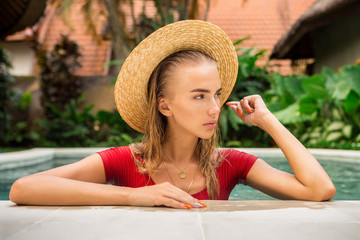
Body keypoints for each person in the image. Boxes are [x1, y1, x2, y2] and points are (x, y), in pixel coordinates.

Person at [9, 20, 336, 209]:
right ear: (164, 105)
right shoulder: (126, 161)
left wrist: (268, 120)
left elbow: (319, 190)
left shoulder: (229, 164)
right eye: (198, 96)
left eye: (217, 95)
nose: (214, 108)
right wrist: (135, 196)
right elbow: (23, 189)